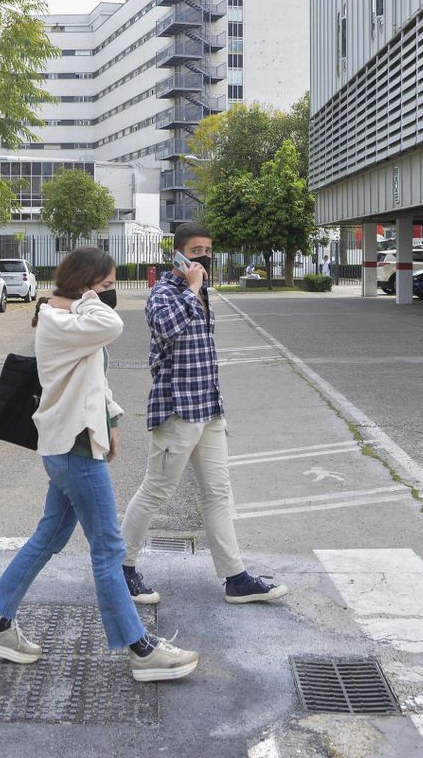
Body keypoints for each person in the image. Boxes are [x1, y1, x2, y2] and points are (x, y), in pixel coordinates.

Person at [0, 246, 199, 682]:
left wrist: (112, 419)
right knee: (109, 551)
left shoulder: (73, 320)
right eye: (107, 286)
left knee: (48, 539)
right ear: (84, 285)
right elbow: (112, 324)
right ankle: (141, 649)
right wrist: (85, 298)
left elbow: (93, 377)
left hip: (72, 446)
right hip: (74, 452)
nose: (111, 295)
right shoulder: (61, 321)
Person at [120, 223, 288, 606]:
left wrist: (199, 290)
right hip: (178, 409)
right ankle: (122, 567)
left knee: (218, 492)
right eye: (196, 250)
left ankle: (235, 577)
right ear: (178, 255)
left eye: (208, 250)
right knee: (156, 490)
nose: (204, 257)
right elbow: (166, 328)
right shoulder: (163, 293)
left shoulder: (205, 292)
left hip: (209, 408)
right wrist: (192, 289)